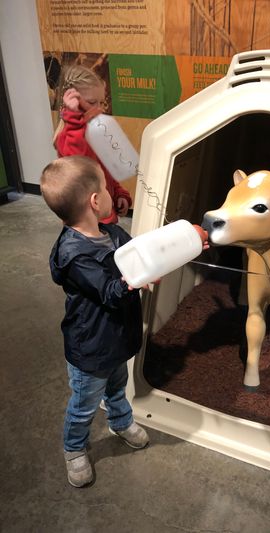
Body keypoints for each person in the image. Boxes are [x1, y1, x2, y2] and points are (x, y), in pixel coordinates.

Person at [40, 155, 148, 488]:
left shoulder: (111, 233)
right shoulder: (75, 256)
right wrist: (136, 280)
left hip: (113, 339)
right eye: (104, 185)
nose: (108, 189)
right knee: (84, 404)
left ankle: (120, 420)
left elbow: (138, 251)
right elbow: (111, 292)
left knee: (116, 386)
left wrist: (160, 254)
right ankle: (73, 448)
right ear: (94, 200)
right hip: (90, 347)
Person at [54, 64, 132, 224]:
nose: (99, 109)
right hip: (87, 223)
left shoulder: (96, 132)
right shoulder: (66, 138)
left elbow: (105, 171)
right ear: (73, 103)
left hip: (105, 215)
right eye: (91, 102)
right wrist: (74, 120)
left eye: (101, 103)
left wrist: (118, 193)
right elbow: (80, 161)